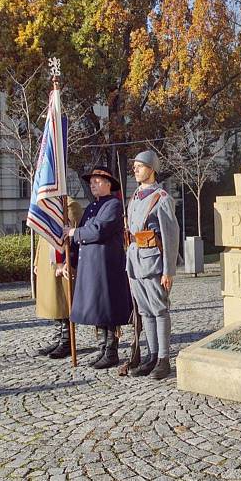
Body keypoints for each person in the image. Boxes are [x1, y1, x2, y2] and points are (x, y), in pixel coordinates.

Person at [63, 166, 132, 370]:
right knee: (97, 309)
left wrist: (74, 231)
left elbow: (97, 231)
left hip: (107, 266)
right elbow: (79, 239)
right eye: (91, 182)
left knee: (108, 309)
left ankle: (111, 351)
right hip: (90, 267)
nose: (93, 184)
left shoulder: (114, 205)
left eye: (98, 181)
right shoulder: (92, 207)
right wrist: (70, 260)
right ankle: (102, 349)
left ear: (109, 184)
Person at [125, 151, 179, 380]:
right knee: (145, 312)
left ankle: (164, 359)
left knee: (159, 310)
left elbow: (170, 236)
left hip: (154, 262)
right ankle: (151, 355)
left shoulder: (162, 198)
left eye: (140, 166)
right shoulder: (135, 196)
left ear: (152, 168)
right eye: (134, 167)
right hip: (135, 262)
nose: (135, 170)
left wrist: (168, 270)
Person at [34, 197, 83, 359]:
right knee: (53, 302)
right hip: (47, 261)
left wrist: (66, 260)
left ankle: (67, 341)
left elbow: (73, 237)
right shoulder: (46, 204)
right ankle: (58, 337)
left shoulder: (70, 205)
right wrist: (36, 260)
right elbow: (42, 236)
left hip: (63, 260)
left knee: (63, 300)